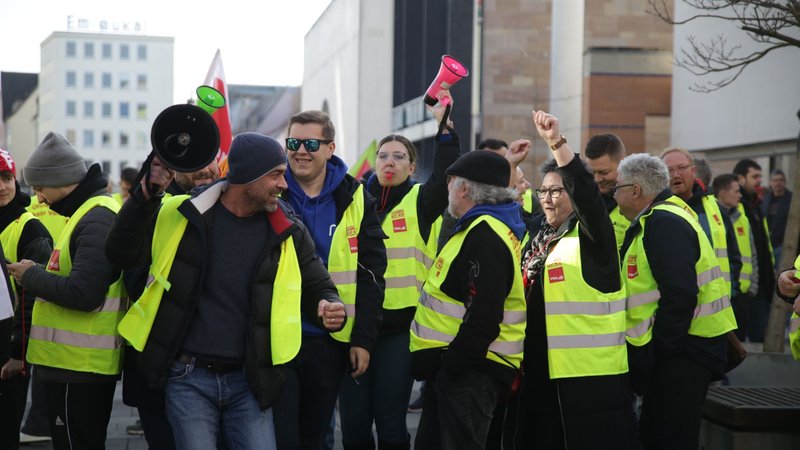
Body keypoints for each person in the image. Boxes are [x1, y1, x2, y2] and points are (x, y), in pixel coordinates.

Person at [105, 132, 346, 450]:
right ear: (247, 176)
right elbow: (120, 253)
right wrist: (143, 198)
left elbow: (318, 284)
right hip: (187, 378)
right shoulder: (182, 213)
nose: (284, 184)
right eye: (276, 175)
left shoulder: (287, 228)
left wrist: (329, 304)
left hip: (251, 380)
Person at [503, 113, 636, 450]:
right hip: (535, 371)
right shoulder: (539, 233)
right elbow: (499, 208)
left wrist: (557, 144)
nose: (547, 198)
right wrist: (509, 167)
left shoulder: (594, 238)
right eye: (542, 191)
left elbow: (588, 198)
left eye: (557, 191)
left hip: (584, 385)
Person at [338, 91, 459, 450]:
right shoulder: (353, 200)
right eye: (383, 155)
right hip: (355, 327)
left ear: (411, 165)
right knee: (355, 427)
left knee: (390, 424)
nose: (390, 162)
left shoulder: (421, 200)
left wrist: (445, 126)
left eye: (399, 156)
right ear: (374, 163)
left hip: (398, 330)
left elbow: (446, 171)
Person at [275, 110, 386, 450]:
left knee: (316, 437)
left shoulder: (354, 197)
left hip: (329, 340)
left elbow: (371, 275)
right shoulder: (270, 191)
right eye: (293, 143)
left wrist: (363, 339)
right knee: (280, 438)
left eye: (311, 143)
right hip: (275, 336)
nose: (301, 151)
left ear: (330, 148)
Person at [6, 132, 125, 450]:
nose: (40, 198)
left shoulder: (97, 217)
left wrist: (32, 275)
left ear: (61, 180)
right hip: (73, 366)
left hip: (81, 368)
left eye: (41, 188)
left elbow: (85, 294)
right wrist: (41, 273)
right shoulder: (87, 213)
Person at [615, 153, 736, 449]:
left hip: (684, 352)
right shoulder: (664, 215)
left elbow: (679, 293)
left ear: (635, 191)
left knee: (669, 438)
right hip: (682, 348)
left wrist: (661, 351)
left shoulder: (663, 221)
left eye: (617, 187)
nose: (612, 193)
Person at [410, 147, 526, 450]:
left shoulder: (485, 234)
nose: (447, 187)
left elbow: (484, 316)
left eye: (451, 181)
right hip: (462, 371)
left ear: (464, 188)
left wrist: (452, 367)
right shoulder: (477, 228)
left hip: (470, 374)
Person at [120, 157, 224, 448]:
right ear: (171, 168)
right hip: (158, 367)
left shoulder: (235, 208)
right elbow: (134, 278)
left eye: (211, 159)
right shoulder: (152, 209)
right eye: (195, 162)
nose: (205, 169)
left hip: (220, 368)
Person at [0, 149, 53, 450]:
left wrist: (17, 352)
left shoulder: (29, 227)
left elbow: (35, 296)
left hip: (8, 350)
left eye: (6, 178)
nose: (1, 186)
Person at [661, 148, 742, 300]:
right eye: (669, 170)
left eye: (682, 168)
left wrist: (732, 293)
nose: (676, 174)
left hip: (715, 305)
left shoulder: (715, 208)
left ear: (693, 170)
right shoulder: (655, 211)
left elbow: (733, 257)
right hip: (673, 305)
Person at [732, 158, 774, 342]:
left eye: (760, 177)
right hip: (743, 290)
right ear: (741, 179)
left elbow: (764, 248)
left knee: (759, 337)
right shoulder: (734, 209)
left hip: (761, 286)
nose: (759, 181)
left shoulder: (756, 206)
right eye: (755, 176)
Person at [713, 174, 756, 341]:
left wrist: (753, 286)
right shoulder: (713, 218)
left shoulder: (742, 218)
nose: (740, 195)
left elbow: (753, 255)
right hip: (721, 295)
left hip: (743, 294)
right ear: (723, 193)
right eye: (736, 191)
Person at [583, 133, 630, 250]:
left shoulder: (642, 200)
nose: (597, 179)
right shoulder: (586, 198)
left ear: (623, 162)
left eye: (604, 172)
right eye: (592, 173)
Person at [761, 169, 792, 264]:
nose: (778, 183)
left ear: (785, 182)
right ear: (770, 183)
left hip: (783, 245)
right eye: (775, 180)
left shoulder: (791, 199)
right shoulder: (766, 199)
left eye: (781, 180)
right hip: (767, 245)